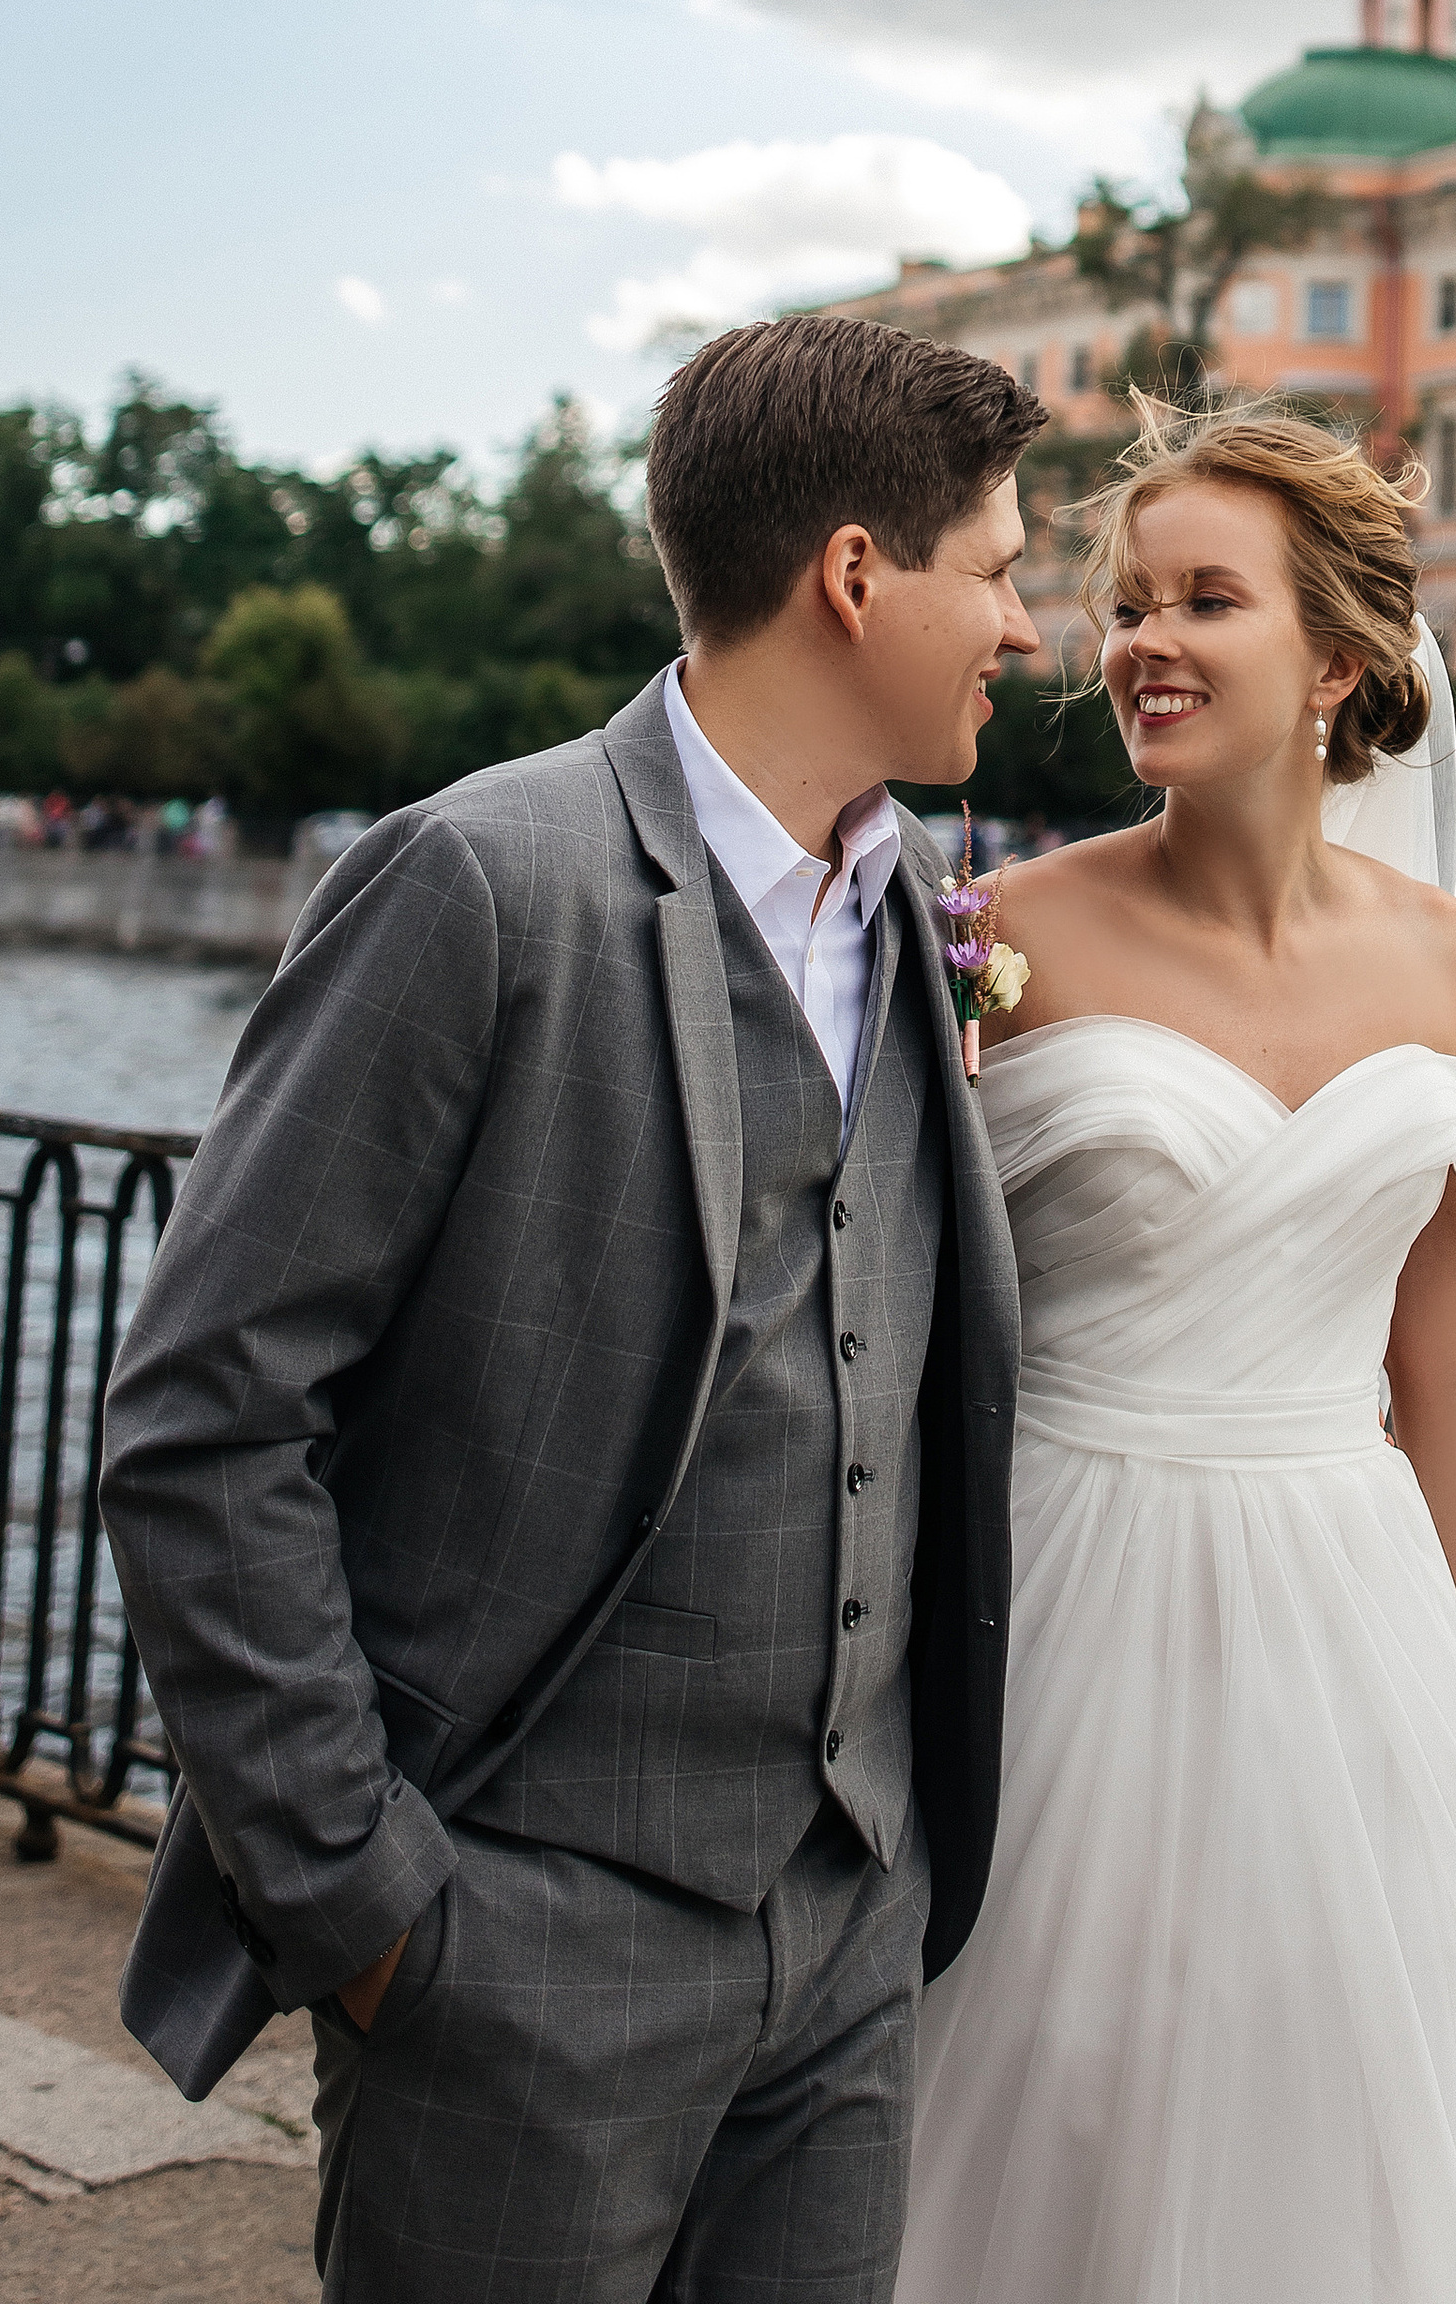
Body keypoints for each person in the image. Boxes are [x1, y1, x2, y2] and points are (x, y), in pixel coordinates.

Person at [100, 316, 1047, 2304]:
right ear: (855, 575)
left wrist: (887, 1875)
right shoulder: (474, 879)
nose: (1026, 628)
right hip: (514, 1953)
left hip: (849, 1933)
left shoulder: (917, 900)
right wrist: (371, 1909)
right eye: (999, 567)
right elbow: (204, 1420)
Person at [895, 401, 1456, 2304]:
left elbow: (1445, 1378)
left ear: (1339, 664)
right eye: (1131, 603)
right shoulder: (999, 936)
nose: (1145, 641)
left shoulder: (1455, 964)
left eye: (1208, 600)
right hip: (1062, 1598)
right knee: (1058, 2098)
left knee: (1329, 2127)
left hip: (1350, 1623)